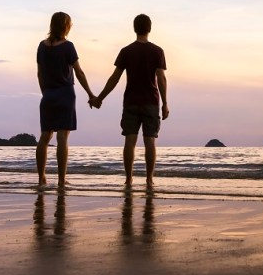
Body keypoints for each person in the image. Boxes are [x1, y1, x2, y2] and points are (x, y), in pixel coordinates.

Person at [95, 13, 169, 187]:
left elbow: (114, 78)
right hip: (151, 101)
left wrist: (100, 97)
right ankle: (149, 180)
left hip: (131, 102)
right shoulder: (157, 51)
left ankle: (128, 179)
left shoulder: (126, 51)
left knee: (130, 141)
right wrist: (165, 103)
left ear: (134, 29)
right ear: (149, 29)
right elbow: (161, 78)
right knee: (150, 141)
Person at [36, 11, 97, 188]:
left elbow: (39, 73)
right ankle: (61, 180)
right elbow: (79, 72)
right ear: (66, 26)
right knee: (62, 137)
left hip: (48, 94)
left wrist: (45, 92)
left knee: (45, 136)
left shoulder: (42, 46)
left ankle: (41, 178)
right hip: (65, 93)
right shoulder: (68, 46)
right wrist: (91, 94)